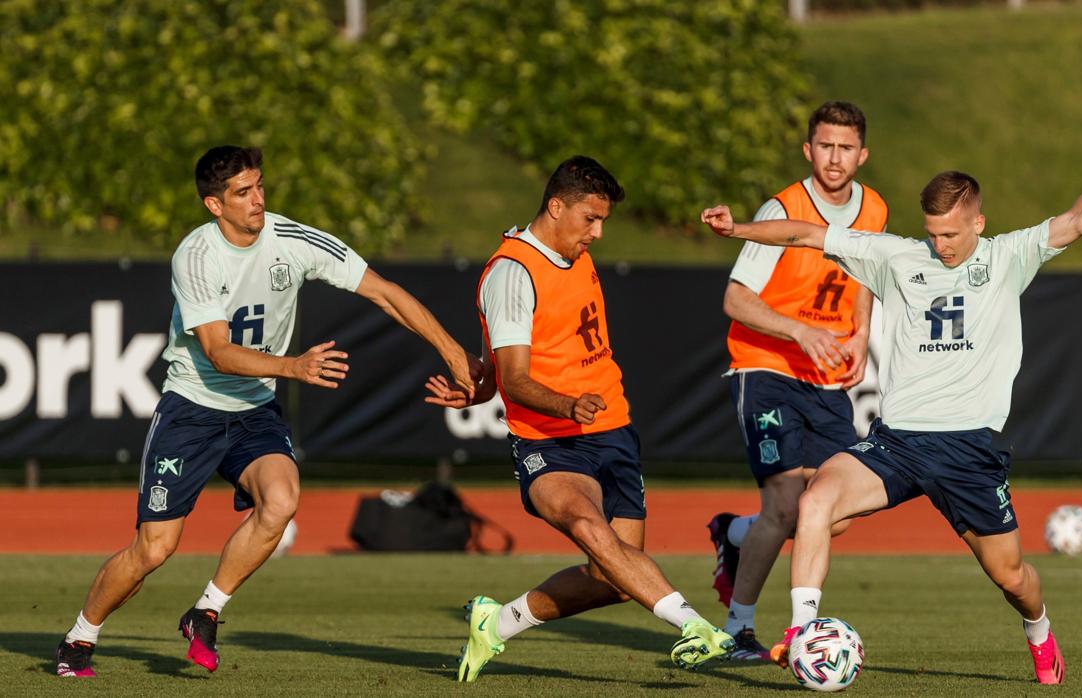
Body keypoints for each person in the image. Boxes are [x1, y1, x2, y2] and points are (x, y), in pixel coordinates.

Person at [700, 111, 1082, 684]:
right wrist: (737, 231)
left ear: (978, 223)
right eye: (933, 232)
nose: (941, 245)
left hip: (968, 452)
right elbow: (805, 234)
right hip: (898, 444)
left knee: (1010, 577)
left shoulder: (1009, 257)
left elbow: (1080, 220)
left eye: (952, 234)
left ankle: (1039, 631)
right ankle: (801, 634)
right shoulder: (898, 257)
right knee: (814, 502)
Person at [54, 146, 478, 678]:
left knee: (281, 501)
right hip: (192, 410)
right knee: (154, 550)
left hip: (254, 411)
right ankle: (79, 639)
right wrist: (293, 368)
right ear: (214, 204)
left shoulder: (293, 240)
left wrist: (451, 350)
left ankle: (206, 610)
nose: (258, 200)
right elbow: (217, 352)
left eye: (259, 186)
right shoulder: (196, 256)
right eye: (242, 193)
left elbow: (386, 294)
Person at [425, 155, 735, 682]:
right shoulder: (512, 273)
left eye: (603, 222)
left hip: (612, 429)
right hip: (549, 438)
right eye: (589, 219)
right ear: (555, 206)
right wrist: (559, 403)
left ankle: (496, 623)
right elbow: (514, 378)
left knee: (614, 577)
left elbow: (499, 368)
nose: (596, 233)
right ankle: (697, 628)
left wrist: (478, 389)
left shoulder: (574, 252)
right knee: (590, 529)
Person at [709, 101, 887, 661]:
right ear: (809, 149)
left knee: (830, 517)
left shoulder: (875, 208)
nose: (834, 158)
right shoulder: (782, 207)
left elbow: (864, 275)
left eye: (845, 148)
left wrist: (860, 333)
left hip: (827, 377)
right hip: (766, 368)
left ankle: (733, 535)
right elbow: (735, 300)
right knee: (787, 507)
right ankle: (739, 631)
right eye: (825, 146)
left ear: (862, 154)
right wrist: (798, 331)